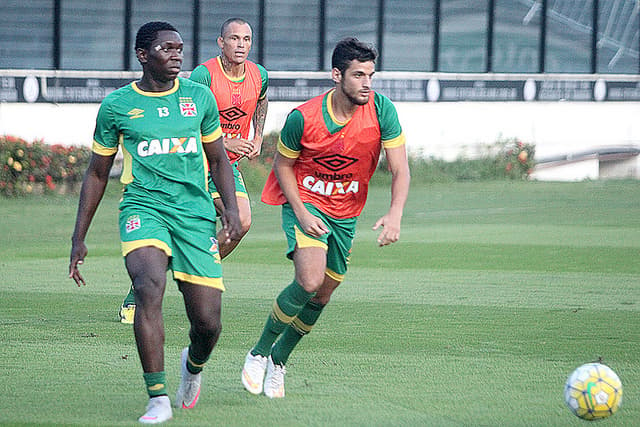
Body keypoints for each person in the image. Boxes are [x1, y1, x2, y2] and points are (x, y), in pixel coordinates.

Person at [69, 22, 241, 424]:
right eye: (167, 48)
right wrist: (79, 237)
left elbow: (217, 159)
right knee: (148, 285)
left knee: (208, 322)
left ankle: (192, 366)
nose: (177, 55)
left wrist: (229, 208)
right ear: (143, 55)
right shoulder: (116, 107)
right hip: (143, 209)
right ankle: (157, 397)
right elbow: (97, 173)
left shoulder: (199, 98)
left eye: (180, 48)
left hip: (194, 216)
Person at [241, 37, 410, 398]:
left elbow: (400, 170)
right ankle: (258, 354)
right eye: (359, 75)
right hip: (307, 204)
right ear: (337, 75)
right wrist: (301, 213)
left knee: (323, 295)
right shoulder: (304, 117)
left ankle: (279, 360)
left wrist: (395, 213)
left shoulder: (383, 111)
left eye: (371, 75)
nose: (367, 83)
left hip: (347, 214)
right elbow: (283, 166)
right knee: (308, 281)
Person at [118, 17, 268, 324]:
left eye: (247, 39)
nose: (241, 45)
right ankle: (144, 285)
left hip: (226, 167)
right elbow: (187, 120)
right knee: (186, 226)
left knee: (241, 222)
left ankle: (181, 268)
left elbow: (262, 99)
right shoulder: (203, 75)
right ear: (221, 43)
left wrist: (258, 136)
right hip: (194, 164)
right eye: (235, 39)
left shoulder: (259, 75)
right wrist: (227, 141)